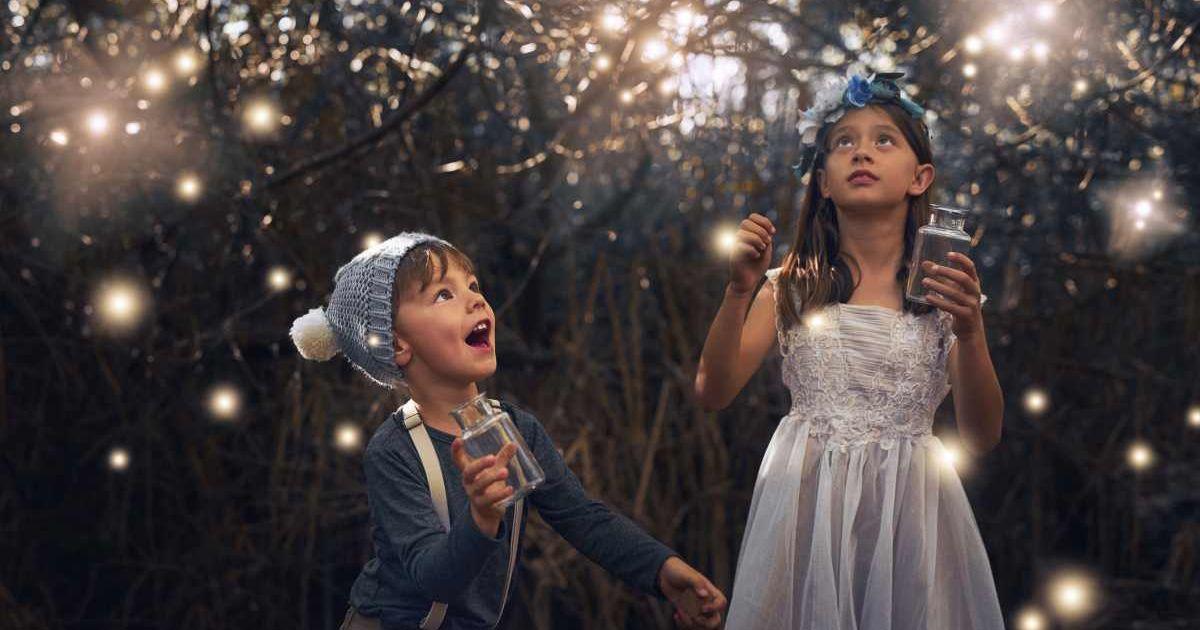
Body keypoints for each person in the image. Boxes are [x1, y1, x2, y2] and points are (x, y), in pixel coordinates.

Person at [290, 232, 727, 629]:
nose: (475, 301)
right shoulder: (394, 451)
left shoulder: (517, 429)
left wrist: (662, 570)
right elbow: (431, 577)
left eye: (473, 286)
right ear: (398, 343)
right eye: (443, 294)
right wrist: (481, 518)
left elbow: (583, 518)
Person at [695, 72, 1006, 628]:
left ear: (920, 176)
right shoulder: (789, 287)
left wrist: (971, 332)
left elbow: (982, 435)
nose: (862, 151)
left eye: (884, 139)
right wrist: (738, 291)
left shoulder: (946, 296)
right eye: (843, 142)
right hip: (804, 510)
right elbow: (712, 392)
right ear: (823, 182)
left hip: (911, 513)